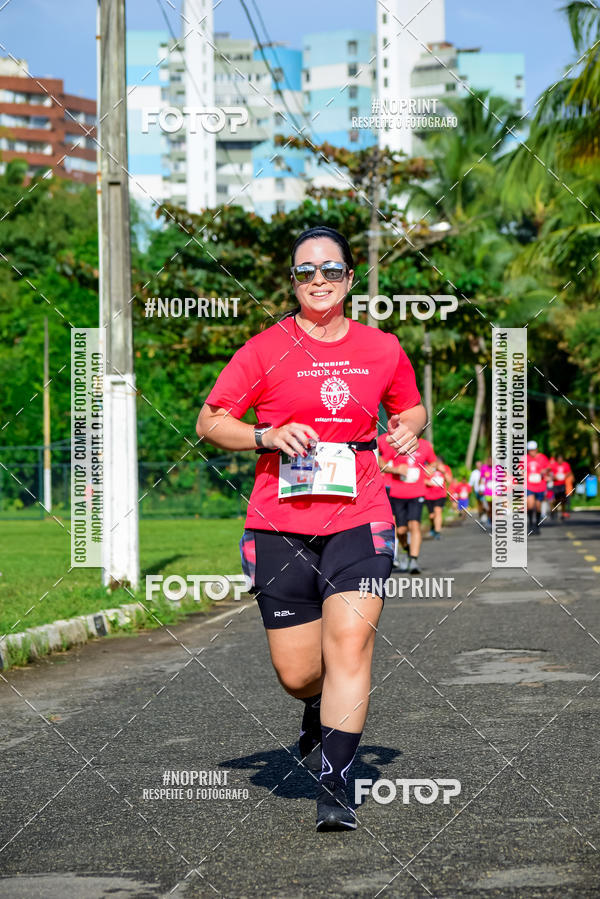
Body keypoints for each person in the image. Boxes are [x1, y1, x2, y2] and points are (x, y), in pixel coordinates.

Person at [196, 225, 427, 832]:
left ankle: (338, 785)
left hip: (361, 513)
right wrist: (263, 436)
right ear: (292, 282)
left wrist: (408, 428)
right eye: (305, 272)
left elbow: (410, 405)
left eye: (330, 270)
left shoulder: (383, 347)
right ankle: (315, 712)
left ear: (350, 279)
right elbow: (209, 420)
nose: (318, 280)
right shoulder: (264, 349)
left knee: (349, 642)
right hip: (279, 522)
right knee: (299, 673)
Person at [378, 433, 435, 572]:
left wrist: (430, 469)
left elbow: (433, 462)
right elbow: (381, 462)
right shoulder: (397, 445)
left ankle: (414, 561)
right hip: (397, 493)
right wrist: (396, 469)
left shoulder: (425, 445)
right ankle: (408, 550)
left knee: (415, 524)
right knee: (401, 530)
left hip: (417, 492)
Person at [526, 440, 551, 534]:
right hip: (529, 485)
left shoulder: (542, 458)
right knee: (530, 505)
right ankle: (530, 525)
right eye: (530, 450)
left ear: (536, 449)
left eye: (533, 450)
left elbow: (549, 467)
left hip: (540, 486)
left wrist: (544, 470)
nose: (532, 452)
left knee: (538, 506)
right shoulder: (525, 458)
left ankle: (537, 525)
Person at [424, 454, 452, 539]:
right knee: (431, 515)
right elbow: (421, 478)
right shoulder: (427, 467)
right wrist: (427, 482)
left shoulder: (445, 468)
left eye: (439, 462)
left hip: (440, 494)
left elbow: (449, 480)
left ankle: (437, 532)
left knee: (438, 511)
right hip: (428, 495)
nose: (437, 463)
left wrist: (443, 471)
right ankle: (433, 526)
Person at [550, 453, 573, 520]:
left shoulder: (566, 464)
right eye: (559, 459)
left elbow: (569, 472)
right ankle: (554, 511)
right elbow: (551, 474)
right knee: (556, 499)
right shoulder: (554, 465)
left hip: (563, 484)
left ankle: (563, 513)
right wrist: (555, 477)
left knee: (563, 499)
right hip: (556, 485)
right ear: (557, 460)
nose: (560, 461)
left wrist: (565, 476)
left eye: (561, 459)